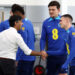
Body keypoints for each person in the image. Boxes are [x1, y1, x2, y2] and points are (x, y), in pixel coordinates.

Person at [40, 1, 67, 75]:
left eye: (53, 9)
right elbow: (42, 38)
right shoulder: (45, 22)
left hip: (63, 56)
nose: (51, 11)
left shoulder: (64, 21)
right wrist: (42, 50)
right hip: (50, 55)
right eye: (49, 10)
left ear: (58, 10)